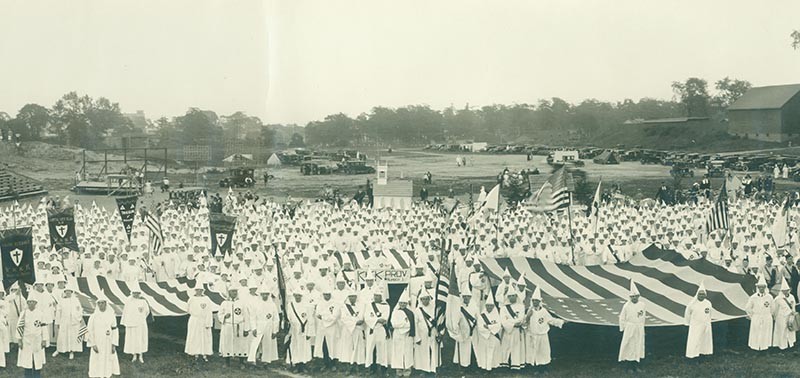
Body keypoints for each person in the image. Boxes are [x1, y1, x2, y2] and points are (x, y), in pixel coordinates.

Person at [524, 287, 565, 371]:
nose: (535, 302)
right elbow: (525, 323)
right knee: (532, 352)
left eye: (536, 301)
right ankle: (532, 367)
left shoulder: (544, 311)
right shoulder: (530, 310)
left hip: (542, 335)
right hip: (532, 335)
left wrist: (562, 321)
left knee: (543, 352)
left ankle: (542, 368)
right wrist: (528, 316)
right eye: (533, 300)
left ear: (540, 302)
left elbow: (550, 320)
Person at [87, 296, 120, 378]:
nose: (101, 305)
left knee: (108, 358)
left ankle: (107, 373)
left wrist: (114, 344)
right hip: (97, 341)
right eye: (99, 303)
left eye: (103, 303)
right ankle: (97, 374)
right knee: (96, 358)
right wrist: (93, 344)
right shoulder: (93, 316)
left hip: (108, 341)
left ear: (106, 304)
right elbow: (90, 331)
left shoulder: (111, 315)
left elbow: (114, 329)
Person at [247, 286, 280, 367]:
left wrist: (275, 330)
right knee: (255, 342)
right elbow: (252, 317)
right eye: (263, 294)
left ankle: (266, 360)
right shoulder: (256, 304)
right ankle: (252, 360)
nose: (265, 296)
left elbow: (276, 318)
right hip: (259, 325)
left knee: (267, 343)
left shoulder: (272, 304)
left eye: (266, 294)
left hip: (269, 326)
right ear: (260, 295)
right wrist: (254, 328)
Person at [219, 288, 251, 367]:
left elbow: (246, 316)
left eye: (236, 291)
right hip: (228, 326)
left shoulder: (241, 303)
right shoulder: (224, 303)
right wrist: (224, 316)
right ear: (229, 292)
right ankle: (227, 362)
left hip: (239, 326)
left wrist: (246, 329)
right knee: (227, 343)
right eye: (233, 291)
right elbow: (220, 314)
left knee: (240, 344)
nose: (234, 293)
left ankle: (241, 362)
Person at [18, 296, 48, 378]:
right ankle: (27, 375)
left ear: (36, 303)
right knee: (27, 358)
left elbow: (44, 327)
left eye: (33, 302)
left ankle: (37, 374)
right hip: (26, 340)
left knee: (37, 358)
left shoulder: (40, 313)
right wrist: (19, 340)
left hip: (37, 340)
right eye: (29, 302)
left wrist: (44, 339)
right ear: (27, 303)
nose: (31, 303)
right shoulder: (23, 313)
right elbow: (19, 327)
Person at [618, 281, 645, 371]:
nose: (634, 298)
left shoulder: (642, 305)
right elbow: (622, 317)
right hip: (630, 327)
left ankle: (636, 365)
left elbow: (642, 317)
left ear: (638, 296)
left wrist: (642, 327)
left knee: (638, 345)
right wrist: (624, 328)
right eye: (632, 297)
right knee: (629, 345)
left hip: (639, 327)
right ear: (630, 297)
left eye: (635, 296)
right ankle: (628, 366)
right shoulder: (626, 306)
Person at [121, 285, 150, 363]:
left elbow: (147, 311)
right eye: (134, 293)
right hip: (131, 324)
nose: (136, 294)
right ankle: (134, 355)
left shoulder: (143, 301)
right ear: (132, 293)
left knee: (140, 338)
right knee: (133, 339)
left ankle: (140, 355)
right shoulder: (128, 301)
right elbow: (126, 312)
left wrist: (141, 317)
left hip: (140, 323)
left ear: (139, 293)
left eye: (137, 293)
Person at [286, 291, 314, 371]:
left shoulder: (307, 305)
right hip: (295, 330)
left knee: (304, 347)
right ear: (294, 296)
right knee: (295, 346)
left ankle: (303, 364)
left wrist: (310, 332)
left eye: (299, 295)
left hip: (305, 330)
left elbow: (310, 319)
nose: (298, 297)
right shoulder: (290, 305)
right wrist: (294, 326)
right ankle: (297, 364)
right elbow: (289, 317)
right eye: (296, 295)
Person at [53, 285, 83, 360]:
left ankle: (71, 351)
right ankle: (59, 350)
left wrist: (77, 318)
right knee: (62, 336)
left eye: (69, 291)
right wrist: (58, 322)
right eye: (66, 291)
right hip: (64, 321)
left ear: (71, 292)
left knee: (72, 336)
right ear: (65, 292)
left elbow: (79, 310)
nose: (68, 293)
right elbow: (58, 312)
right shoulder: (62, 301)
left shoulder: (75, 300)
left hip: (73, 322)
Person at [685, 282, 713, 359]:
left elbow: (710, 314)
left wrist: (708, 323)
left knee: (704, 340)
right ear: (697, 294)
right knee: (694, 340)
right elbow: (687, 313)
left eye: (703, 294)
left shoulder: (708, 303)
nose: (701, 295)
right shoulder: (692, 304)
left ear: (705, 295)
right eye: (700, 294)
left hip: (705, 324)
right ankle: (693, 355)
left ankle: (704, 354)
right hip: (695, 325)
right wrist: (688, 322)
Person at [364, 292, 390, 374]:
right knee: (371, 348)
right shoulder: (369, 305)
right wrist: (376, 320)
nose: (376, 297)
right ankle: (372, 367)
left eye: (378, 296)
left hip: (381, 329)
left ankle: (383, 368)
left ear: (381, 296)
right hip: (371, 329)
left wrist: (377, 320)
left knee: (382, 348)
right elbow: (366, 317)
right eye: (375, 295)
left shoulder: (386, 306)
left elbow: (384, 319)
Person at [185, 287, 214, 361]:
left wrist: (208, 322)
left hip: (204, 320)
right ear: (195, 290)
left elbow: (209, 310)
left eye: (201, 290)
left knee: (204, 337)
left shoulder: (206, 299)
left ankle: (204, 354)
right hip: (195, 320)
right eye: (198, 290)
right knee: (195, 336)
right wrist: (195, 315)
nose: (199, 291)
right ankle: (195, 353)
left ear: (203, 291)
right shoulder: (191, 299)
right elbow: (188, 309)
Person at [745, 275, 773, 351]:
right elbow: (747, 308)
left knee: (765, 333)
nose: (761, 288)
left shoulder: (769, 297)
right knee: (756, 333)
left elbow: (772, 308)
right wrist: (752, 316)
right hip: (756, 317)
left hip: (766, 317)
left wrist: (769, 315)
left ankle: (765, 349)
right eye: (760, 287)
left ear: (765, 287)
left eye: (763, 287)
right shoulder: (753, 297)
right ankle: (755, 348)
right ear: (758, 288)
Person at [390, 292, 415, 377]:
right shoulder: (395, 312)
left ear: (407, 304)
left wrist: (402, 324)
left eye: (404, 303)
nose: (403, 304)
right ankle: (399, 370)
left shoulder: (410, 313)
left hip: (407, 335)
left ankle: (407, 370)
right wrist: (404, 324)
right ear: (399, 303)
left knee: (407, 352)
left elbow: (411, 325)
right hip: (398, 335)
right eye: (401, 303)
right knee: (398, 352)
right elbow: (394, 324)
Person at [475, 293, 501, 371]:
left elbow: (498, 325)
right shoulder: (482, 315)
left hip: (493, 336)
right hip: (484, 337)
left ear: (493, 306)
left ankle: (493, 366)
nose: (489, 307)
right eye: (488, 305)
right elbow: (480, 326)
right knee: (484, 352)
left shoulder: (496, 315)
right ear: (485, 306)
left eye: (491, 306)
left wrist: (489, 327)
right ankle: (484, 367)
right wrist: (490, 330)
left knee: (493, 351)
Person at [772, 278, 796, 350]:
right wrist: (775, 317)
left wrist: (793, 314)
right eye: (784, 291)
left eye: (787, 290)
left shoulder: (792, 297)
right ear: (781, 291)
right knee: (782, 330)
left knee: (791, 330)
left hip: (790, 316)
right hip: (781, 317)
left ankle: (790, 343)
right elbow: (775, 308)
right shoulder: (778, 298)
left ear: (789, 290)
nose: (785, 292)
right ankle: (782, 345)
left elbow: (793, 306)